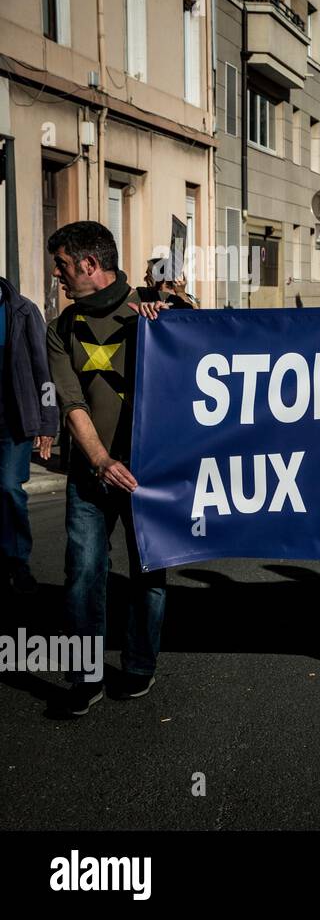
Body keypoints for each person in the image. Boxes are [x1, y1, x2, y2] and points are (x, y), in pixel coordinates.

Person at [44, 221, 170, 716]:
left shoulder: (153, 311)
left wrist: (168, 326)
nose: (57, 275)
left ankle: (139, 664)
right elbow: (72, 404)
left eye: (62, 265)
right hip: (92, 473)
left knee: (149, 571)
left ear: (90, 265)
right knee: (83, 574)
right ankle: (83, 675)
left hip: (152, 473)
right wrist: (100, 461)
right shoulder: (62, 329)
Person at [0, 274, 58, 595]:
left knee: (9, 487)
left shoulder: (22, 310)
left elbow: (43, 370)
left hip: (14, 423)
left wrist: (48, 422)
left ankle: (18, 559)